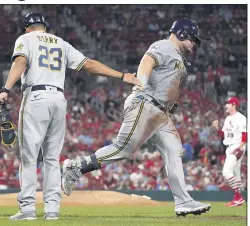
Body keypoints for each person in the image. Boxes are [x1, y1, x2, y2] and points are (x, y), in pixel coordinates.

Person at [0, 12, 141, 221]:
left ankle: (27, 209)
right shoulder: (61, 43)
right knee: (52, 159)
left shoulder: (25, 39)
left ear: (27, 27)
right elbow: (89, 65)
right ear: (44, 26)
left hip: (36, 96)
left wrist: (5, 89)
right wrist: (122, 76)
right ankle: (52, 210)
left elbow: (19, 62)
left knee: (29, 157)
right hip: (59, 99)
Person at [62, 19, 211, 217]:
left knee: (175, 151)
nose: (194, 43)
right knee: (123, 149)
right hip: (145, 103)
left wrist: (170, 102)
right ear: (182, 33)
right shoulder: (164, 45)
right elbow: (148, 61)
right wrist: (141, 81)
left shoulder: (180, 58)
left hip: (160, 113)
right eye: (192, 38)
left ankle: (183, 201)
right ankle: (76, 167)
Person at [212, 96, 247, 207]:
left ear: (233, 105)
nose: (226, 105)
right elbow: (224, 136)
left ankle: (238, 197)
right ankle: (238, 199)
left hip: (237, 145)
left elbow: (245, 135)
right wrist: (217, 128)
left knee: (226, 172)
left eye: (228, 103)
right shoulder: (228, 119)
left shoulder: (241, 118)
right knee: (236, 173)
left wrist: (240, 147)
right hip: (230, 146)